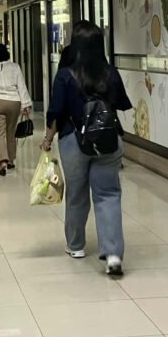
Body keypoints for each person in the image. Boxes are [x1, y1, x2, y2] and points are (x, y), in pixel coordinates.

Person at [42, 20, 131, 277]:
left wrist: (48, 138)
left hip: (74, 142)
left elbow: (55, 113)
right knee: (108, 194)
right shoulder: (110, 73)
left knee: (77, 194)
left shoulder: (65, 75)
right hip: (107, 142)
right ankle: (113, 255)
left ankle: (76, 245)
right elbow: (122, 104)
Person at [0, 43, 32, 176]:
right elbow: (21, 86)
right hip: (14, 102)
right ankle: (11, 160)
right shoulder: (15, 67)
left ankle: (2, 163)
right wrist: (26, 104)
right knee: (11, 131)